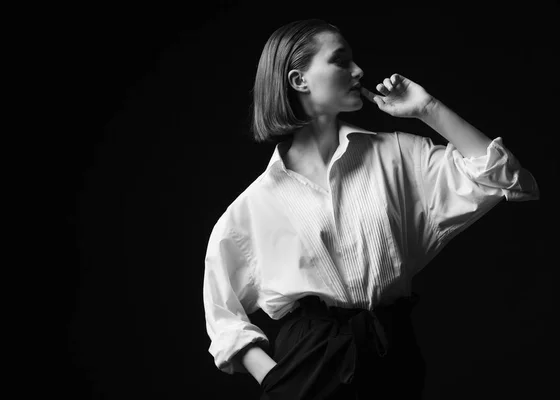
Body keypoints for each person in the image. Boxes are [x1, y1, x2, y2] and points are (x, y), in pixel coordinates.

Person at [202, 19, 539, 399]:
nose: (359, 71)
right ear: (299, 81)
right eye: (340, 61)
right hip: (307, 366)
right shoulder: (254, 204)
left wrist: (427, 108)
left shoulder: (395, 153)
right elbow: (222, 312)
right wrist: (279, 381)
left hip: (392, 353)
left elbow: (505, 178)